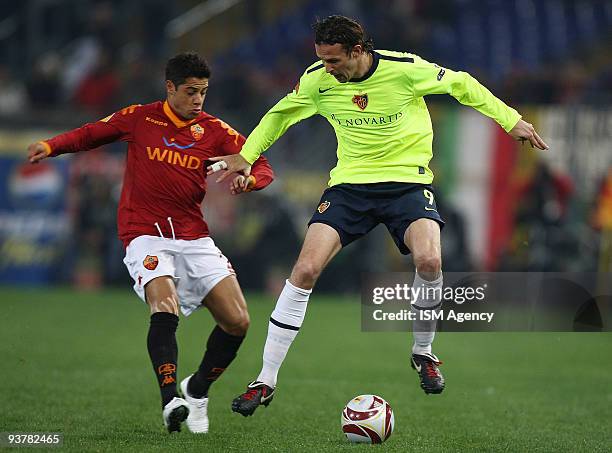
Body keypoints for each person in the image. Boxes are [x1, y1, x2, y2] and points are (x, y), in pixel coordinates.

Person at [208, 15, 549, 416]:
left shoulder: (404, 70)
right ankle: (264, 380)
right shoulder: (318, 79)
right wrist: (245, 156)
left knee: (429, 260)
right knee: (304, 270)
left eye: (334, 60)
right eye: (321, 59)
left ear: (357, 52)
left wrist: (510, 120)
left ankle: (423, 353)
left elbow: (462, 84)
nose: (326, 68)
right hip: (350, 187)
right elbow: (281, 114)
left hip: (406, 183)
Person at [27, 52, 274, 432]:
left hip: (194, 235)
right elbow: (90, 133)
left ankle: (197, 388)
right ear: (170, 87)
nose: (198, 100)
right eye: (191, 91)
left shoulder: (215, 131)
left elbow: (261, 164)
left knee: (238, 321)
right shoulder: (140, 118)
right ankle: (170, 399)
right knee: (165, 307)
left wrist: (249, 179)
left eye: (204, 92)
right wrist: (50, 146)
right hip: (144, 232)